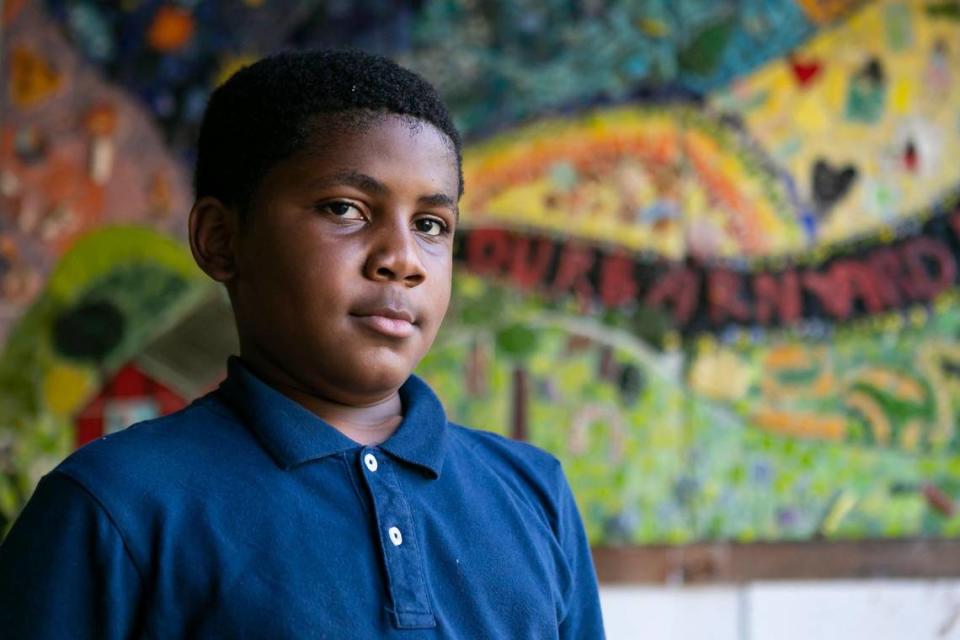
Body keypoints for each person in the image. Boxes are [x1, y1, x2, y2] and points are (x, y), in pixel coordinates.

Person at [0, 50, 605, 638]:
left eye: (430, 225)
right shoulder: (113, 507)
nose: (402, 260)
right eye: (345, 209)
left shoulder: (532, 493)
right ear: (221, 240)